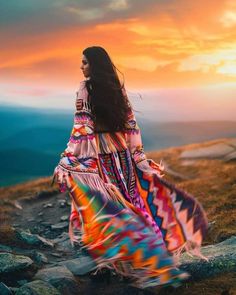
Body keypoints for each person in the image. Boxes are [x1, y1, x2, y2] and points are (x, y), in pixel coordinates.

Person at [52, 46, 208, 289]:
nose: (81, 67)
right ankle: (147, 258)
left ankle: (123, 261)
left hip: (104, 157)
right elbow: (131, 126)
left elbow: (83, 127)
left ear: (95, 64)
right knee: (131, 203)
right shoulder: (117, 89)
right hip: (123, 156)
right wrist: (138, 157)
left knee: (110, 207)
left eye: (84, 62)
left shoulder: (85, 88)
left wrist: (68, 157)